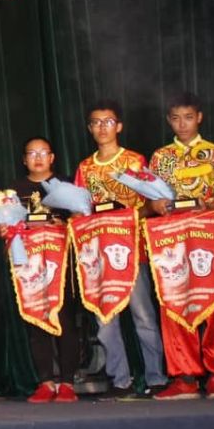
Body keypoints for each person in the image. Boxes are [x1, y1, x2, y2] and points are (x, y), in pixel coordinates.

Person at [73, 102, 168, 398]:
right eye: (96, 122)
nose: (102, 128)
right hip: (98, 257)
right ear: (90, 129)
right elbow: (79, 210)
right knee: (105, 319)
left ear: (119, 126)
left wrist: (124, 216)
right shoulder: (85, 168)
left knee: (143, 316)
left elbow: (153, 204)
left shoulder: (134, 161)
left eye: (108, 121)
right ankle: (120, 380)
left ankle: (156, 378)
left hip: (131, 251)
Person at [146, 95, 214, 401]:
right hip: (170, 239)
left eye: (188, 117)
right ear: (168, 120)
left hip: (207, 236)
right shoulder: (160, 157)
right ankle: (185, 376)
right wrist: (155, 204)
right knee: (174, 302)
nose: (181, 124)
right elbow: (150, 199)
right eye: (175, 118)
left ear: (199, 117)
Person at [5, 136, 81, 403]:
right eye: (31, 153)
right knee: (36, 319)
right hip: (30, 265)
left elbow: (81, 218)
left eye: (43, 153)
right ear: (24, 159)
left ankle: (68, 382)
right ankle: (46, 382)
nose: (37, 158)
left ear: (52, 158)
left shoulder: (65, 185)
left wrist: (61, 223)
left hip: (62, 262)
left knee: (66, 318)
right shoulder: (14, 189)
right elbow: (6, 225)